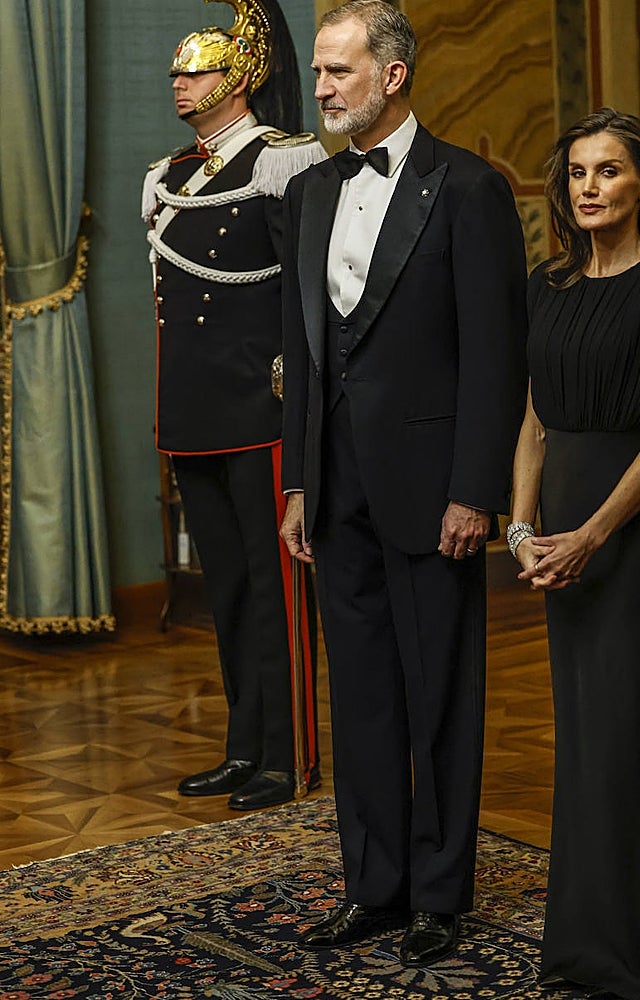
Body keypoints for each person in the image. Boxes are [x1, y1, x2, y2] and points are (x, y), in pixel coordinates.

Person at [279, 0, 528, 969]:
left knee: (439, 697)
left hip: (433, 488)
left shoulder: (468, 188)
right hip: (333, 486)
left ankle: (438, 893)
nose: (322, 86)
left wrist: (476, 489)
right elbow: (305, 351)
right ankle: (372, 885)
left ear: (393, 75)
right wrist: (299, 483)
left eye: (338, 70)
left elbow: (495, 356)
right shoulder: (310, 190)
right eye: (319, 70)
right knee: (363, 698)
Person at [508, 107, 640, 999]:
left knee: (634, 741)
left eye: (608, 171)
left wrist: (590, 535)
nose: (588, 187)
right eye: (577, 173)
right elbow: (533, 419)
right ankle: (587, 946)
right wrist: (522, 530)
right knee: (587, 743)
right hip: (556, 542)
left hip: (629, 544)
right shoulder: (547, 285)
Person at [141, 0, 327, 811]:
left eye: (197, 73)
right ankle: (243, 746)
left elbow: (304, 300)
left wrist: (301, 411)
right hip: (195, 417)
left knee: (273, 589)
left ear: (240, 76)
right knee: (227, 591)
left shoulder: (280, 162)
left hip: (260, 413)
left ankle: (287, 757)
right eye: (176, 75)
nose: (179, 86)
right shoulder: (171, 176)